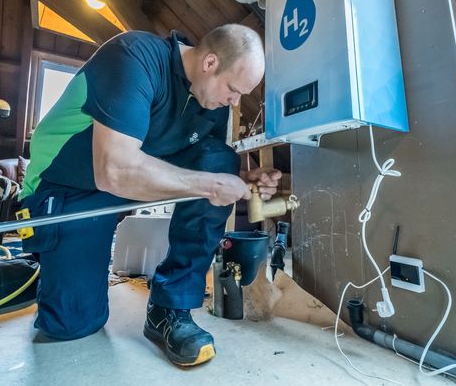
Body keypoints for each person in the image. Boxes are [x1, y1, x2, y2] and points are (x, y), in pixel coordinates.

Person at [19, 23, 281, 366]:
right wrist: (212, 184)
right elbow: (115, 169)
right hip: (69, 184)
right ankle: (40, 266)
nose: (235, 101)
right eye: (233, 89)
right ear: (209, 63)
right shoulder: (134, 57)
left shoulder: (211, 101)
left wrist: (244, 179)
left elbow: (201, 166)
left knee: (221, 161)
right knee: (71, 324)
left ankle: (169, 309)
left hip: (127, 180)